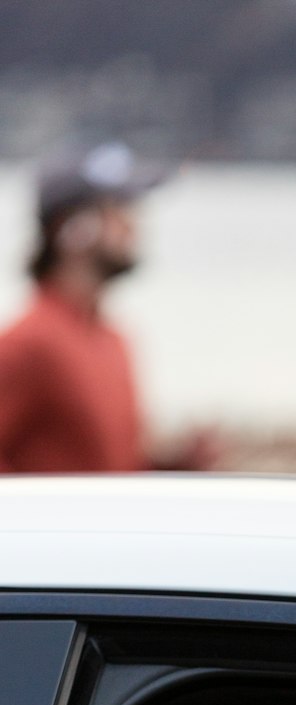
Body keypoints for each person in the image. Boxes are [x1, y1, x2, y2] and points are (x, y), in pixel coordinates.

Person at [0, 141, 217, 474]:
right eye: (119, 209)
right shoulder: (27, 344)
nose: (134, 226)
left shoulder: (114, 340)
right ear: (73, 229)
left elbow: (110, 473)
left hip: (100, 527)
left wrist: (172, 467)